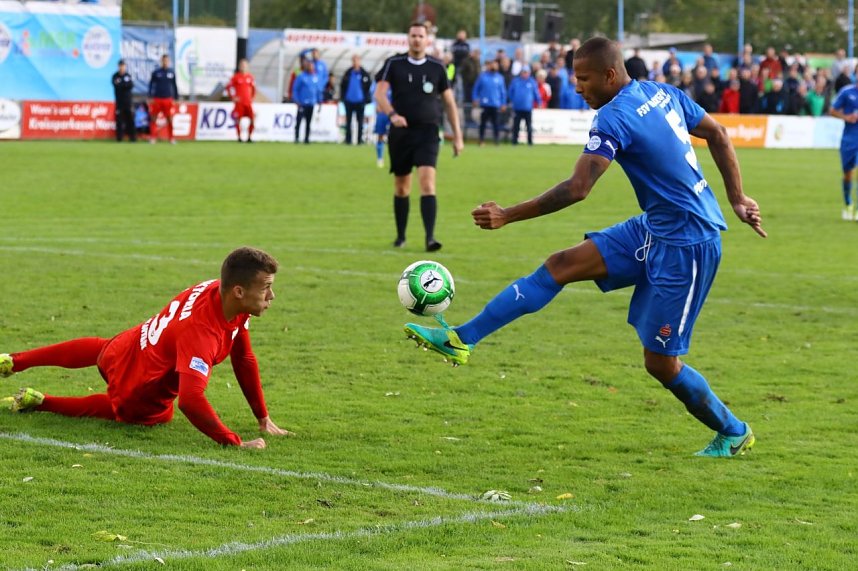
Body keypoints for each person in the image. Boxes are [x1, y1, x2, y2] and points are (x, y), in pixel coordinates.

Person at [404, 37, 766, 458]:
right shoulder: (662, 92)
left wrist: (507, 214)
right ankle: (460, 339)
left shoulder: (614, 117)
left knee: (660, 363)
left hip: (688, 245)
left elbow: (578, 188)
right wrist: (737, 198)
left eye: (583, 78)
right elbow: (718, 133)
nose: (577, 87)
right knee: (560, 265)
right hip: (655, 227)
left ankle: (734, 430)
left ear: (610, 75)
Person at [1, 247, 293, 449]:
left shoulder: (222, 293)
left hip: (129, 345)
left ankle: (13, 361)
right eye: (266, 286)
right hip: (140, 386)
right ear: (239, 292)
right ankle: (41, 401)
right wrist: (234, 441)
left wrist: (262, 417)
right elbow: (190, 401)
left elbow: (243, 356)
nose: (272, 295)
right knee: (142, 413)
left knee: (102, 349)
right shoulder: (201, 334)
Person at [374, 21, 464, 251]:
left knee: (427, 182)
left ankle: (430, 238)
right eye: (413, 35)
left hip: (428, 132)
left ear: (427, 40)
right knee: (402, 186)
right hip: (401, 133)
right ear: (408, 38)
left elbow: (449, 102)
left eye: (420, 36)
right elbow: (380, 94)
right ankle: (401, 236)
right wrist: (392, 114)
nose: (416, 39)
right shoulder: (394, 64)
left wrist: (458, 135)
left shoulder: (437, 67)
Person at [829, 75, 858, 220]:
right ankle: (848, 204)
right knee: (848, 174)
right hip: (849, 140)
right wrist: (847, 117)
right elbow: (832, 110)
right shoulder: (846, 92)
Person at [472, 59, 507, 146]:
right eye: (492, 65)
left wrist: (503, 103)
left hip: (495, 104)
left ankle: (496, 140)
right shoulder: (483, 77)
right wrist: (475, 98)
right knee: (483, 124)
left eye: (495, 65)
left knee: (496, 124)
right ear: (489, 66)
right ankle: (481, 140)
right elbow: (476, 89)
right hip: (485, 104)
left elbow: (503, 92)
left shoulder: (500, 78)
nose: (494, 66)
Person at [340, 54, 372, 145]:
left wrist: (366, 99)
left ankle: (359, 140)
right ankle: (348, 140)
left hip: (360, 101)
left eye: (357, 60)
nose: (355, 62)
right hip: (349, 101)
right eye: (354, 60)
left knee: (360, 122)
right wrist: (343, 98)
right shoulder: (348, 73)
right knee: (348, 122)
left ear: (359, 61)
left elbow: (368, 86)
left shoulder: (364, 73)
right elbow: (342, 86)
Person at [148, 54, 178, 144]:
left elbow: (174, 86)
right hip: (157, 99)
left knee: (169, 119)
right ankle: (153, 137)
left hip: (167, 99)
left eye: (167, 61)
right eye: (164, 60)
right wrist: (150, 96)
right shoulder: (156, 72)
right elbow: (151, 85)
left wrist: (176, 97)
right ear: (161, 61)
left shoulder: (171, 73)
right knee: (153, 118)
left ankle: (171, 138)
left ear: (168, 62)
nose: (165, 62)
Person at [225, 58, 256, 143]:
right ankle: (239, 138)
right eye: (242, 65)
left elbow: (253, 89)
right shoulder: (236, 77)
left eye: (245, 65)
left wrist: (252, 97)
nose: (243, 67)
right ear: (239, 67)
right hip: (239, 103)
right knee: (238, 120)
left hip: (248, 103)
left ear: (248, 67)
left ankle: (249, 137)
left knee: (253, 119)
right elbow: (228, 87)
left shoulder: (250, 77)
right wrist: (233, 97)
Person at [508, 66, 540, 146]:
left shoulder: (532, 82)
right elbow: (510, 92)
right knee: (516, 126)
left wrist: (539, 102)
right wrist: (513, 100)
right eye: (523, 72)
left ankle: (530, 142)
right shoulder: (515, 81)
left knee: (528, 126)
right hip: (517, 108)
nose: (524, 74)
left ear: (529, 73)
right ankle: (514, 141)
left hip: (528, 108)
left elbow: (536, 93)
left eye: (526, 72)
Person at [292, 59, 322, 144]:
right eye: (309, 65)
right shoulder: (301, 76)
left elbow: (318, 90)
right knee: (299, 121)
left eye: (312, 65)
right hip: (302, 103)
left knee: (308, 123)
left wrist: (319, 100)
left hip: (311, 104)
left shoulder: (315, 77)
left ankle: (307, 138)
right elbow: (295, 89)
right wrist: (297, 100)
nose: (310, 67)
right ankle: (297, 138)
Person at [112, 59, 135, 142]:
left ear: (125, 67)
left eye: (123, 66)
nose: (122, 67)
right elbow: (117, 86)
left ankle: (132, 138)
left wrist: (122, 84)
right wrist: (124, 85)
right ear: (118, 66)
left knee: (130, 120)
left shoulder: (128, 75)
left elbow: (131, 85)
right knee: (119, 121)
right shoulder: (115, 76)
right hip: (119, 102)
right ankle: (119, 138)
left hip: (128, 102)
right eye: (120, 66)